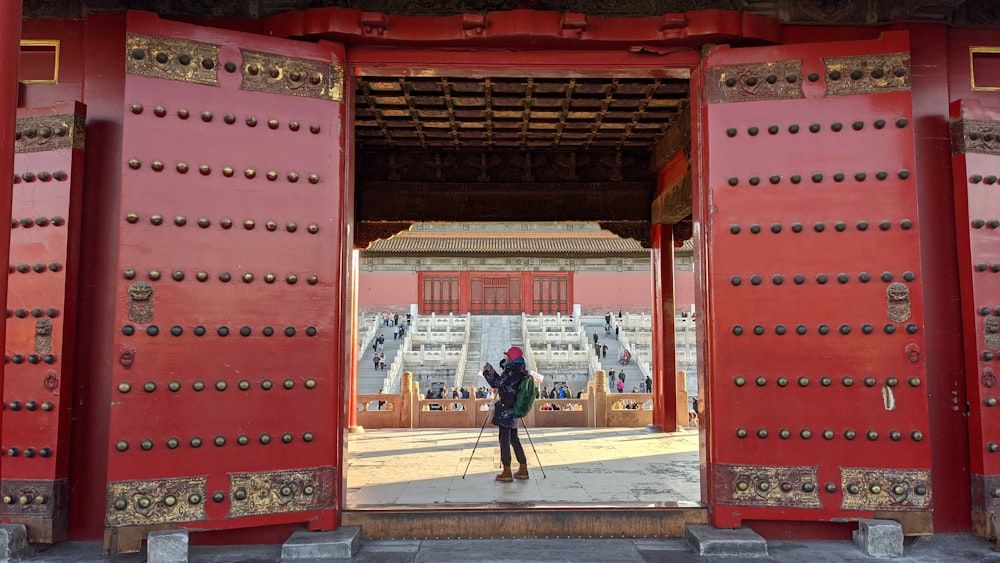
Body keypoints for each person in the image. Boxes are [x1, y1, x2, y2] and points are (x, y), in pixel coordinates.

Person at [481, 346, 530, 482]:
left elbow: (497, 383)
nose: (506, 358)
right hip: (514, 409)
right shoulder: (520, 371)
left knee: (504, 440)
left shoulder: (511, 372)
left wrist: (487, 372)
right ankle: (523, 468)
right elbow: (503, 383)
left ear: (512, 358)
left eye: (508, 356)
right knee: (514, 438)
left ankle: (507, 471)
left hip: (506, 410)